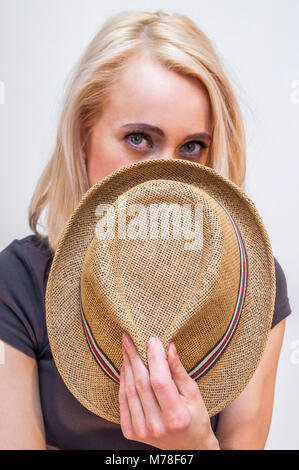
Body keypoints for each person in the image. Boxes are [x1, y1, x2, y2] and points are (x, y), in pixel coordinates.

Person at [0, 10, 292, 450]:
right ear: (83, 139)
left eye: (191, 147)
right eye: (139, 139)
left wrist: (196, 447)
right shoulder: (18, 284)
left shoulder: (252, 288)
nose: (164, 175)